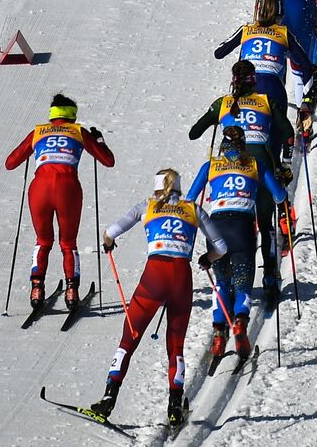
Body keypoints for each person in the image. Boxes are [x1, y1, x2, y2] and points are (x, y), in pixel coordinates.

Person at [89, 169, 227, 426]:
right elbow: (221, 247)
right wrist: (207, 259)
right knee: (175, 345)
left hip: (154, 275)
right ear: (179, 188)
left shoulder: (147, 206)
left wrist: (108, 243)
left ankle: (108, 398)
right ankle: (175, 406)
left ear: (156, 188)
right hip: (181, 278)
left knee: (129, 338)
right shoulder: (193, 209)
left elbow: (110, 232)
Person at [187, 60, 294, 305]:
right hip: (260, 163)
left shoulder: (222, 104)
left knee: (232, 212)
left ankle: (228, 280)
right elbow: (288, 133)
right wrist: (284, 162)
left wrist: (218, 119)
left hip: (228, 165)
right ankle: (269, 277)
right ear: (253, 80)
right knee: (265, 224)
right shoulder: (267, 101)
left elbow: (194, 132)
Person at [4, 94, 116, 312]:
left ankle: (36, 289)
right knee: (68, 243)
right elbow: (108, 161)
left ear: (52, 114)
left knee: (43, 240)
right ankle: (72, 291)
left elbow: (10, 163)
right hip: (68, 189)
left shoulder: (38, 131)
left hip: (39, 190)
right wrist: (99, 140)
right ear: (72, 115)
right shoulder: (78, 131)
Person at [185, 125, 287, 361]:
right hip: (243, 228)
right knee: (242, 283)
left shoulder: (210, 165)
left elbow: (190, 199)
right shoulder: (254, 165)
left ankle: (219, 333)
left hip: (216, 226)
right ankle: (240, 322)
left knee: (222, 281)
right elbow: (279, 196)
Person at [212, 0, 310, 130]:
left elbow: (219, 53)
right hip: (273, 88)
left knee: (243, 137)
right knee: (276, 139)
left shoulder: (246, 30)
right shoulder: (284, 33)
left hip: (245, 88)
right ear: (280, 14)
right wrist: (306, 102)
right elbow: (305, 65)